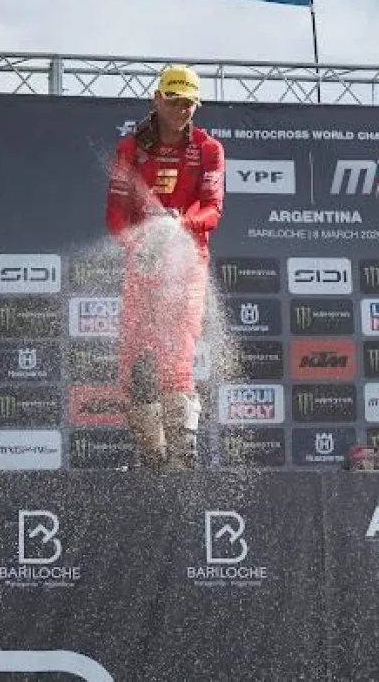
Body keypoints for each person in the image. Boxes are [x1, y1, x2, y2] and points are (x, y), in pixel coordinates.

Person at [105, 65, 225, 470]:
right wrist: (136, 246)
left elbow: (212, 211)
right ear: (157, 99)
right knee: (135, 361)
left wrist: (179, 224)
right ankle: (151, 454)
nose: (182, 109)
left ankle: (182, 455)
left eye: (189, 102)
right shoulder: (130, 149)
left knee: (177, 353)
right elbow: (115, 216)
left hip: (187, 262)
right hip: (143, 261)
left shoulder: (209, 149)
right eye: (174, 101)